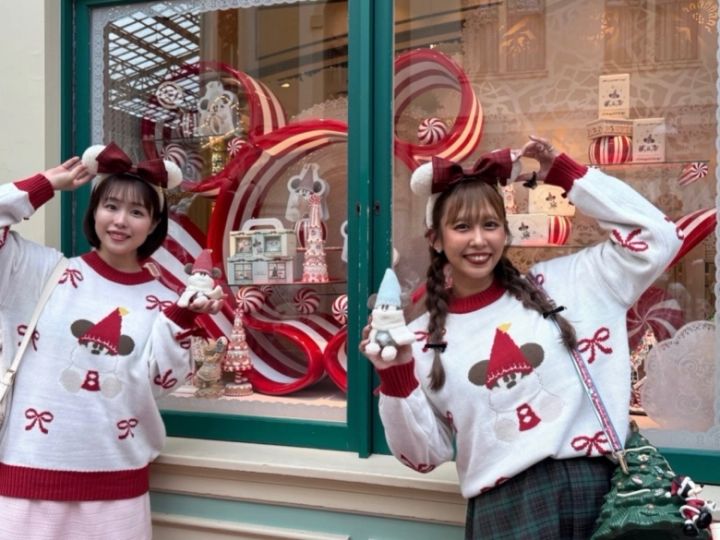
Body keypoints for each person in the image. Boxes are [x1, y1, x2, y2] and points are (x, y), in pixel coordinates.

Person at [360, 136, 681, 539]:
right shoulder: (421, 340)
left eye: (490, 224)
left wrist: (566, 175)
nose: (479, 240)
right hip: (507, 513)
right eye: (462, 227)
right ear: (435, 239)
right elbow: (424, 455)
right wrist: (396, 374)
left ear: (505, 232)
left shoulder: (568, 284)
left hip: (599, 494)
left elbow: (659, 237)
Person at [0, 142, 223, 539]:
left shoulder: (163, 301)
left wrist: (183, 317)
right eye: (111, 206)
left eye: (137, 212)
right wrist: (46, 183)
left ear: (154, 224)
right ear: (94, 212)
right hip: (27, 481)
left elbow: (161, 382)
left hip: (116, 489)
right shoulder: (40, 271)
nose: (121, 221)